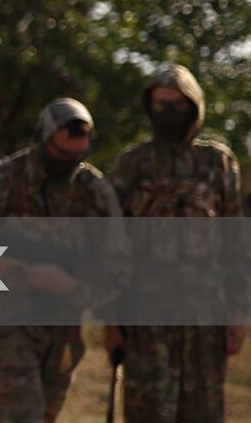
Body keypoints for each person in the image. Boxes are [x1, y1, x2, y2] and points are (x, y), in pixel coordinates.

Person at [0, 98, 128, 423]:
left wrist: (71, 288)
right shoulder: (3, 180)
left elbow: (118, 269)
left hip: (65, 326)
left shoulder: (94, 192)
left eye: (78, 156)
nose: (69, 163)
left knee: (48, 414)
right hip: (12, 320)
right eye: (61, 154)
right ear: (42, 138)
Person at [105, 65, 247, 422]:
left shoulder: (218, 163)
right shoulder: (132, 164)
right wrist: (110, 316)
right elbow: (108, 242)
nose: (168, 114)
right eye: (160, 105)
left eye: (177, 106)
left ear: (195, 107)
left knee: (202, 412)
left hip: (204, 316)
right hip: (144, 314)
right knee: (146, 411)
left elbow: (237, 242)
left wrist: (238, 311)